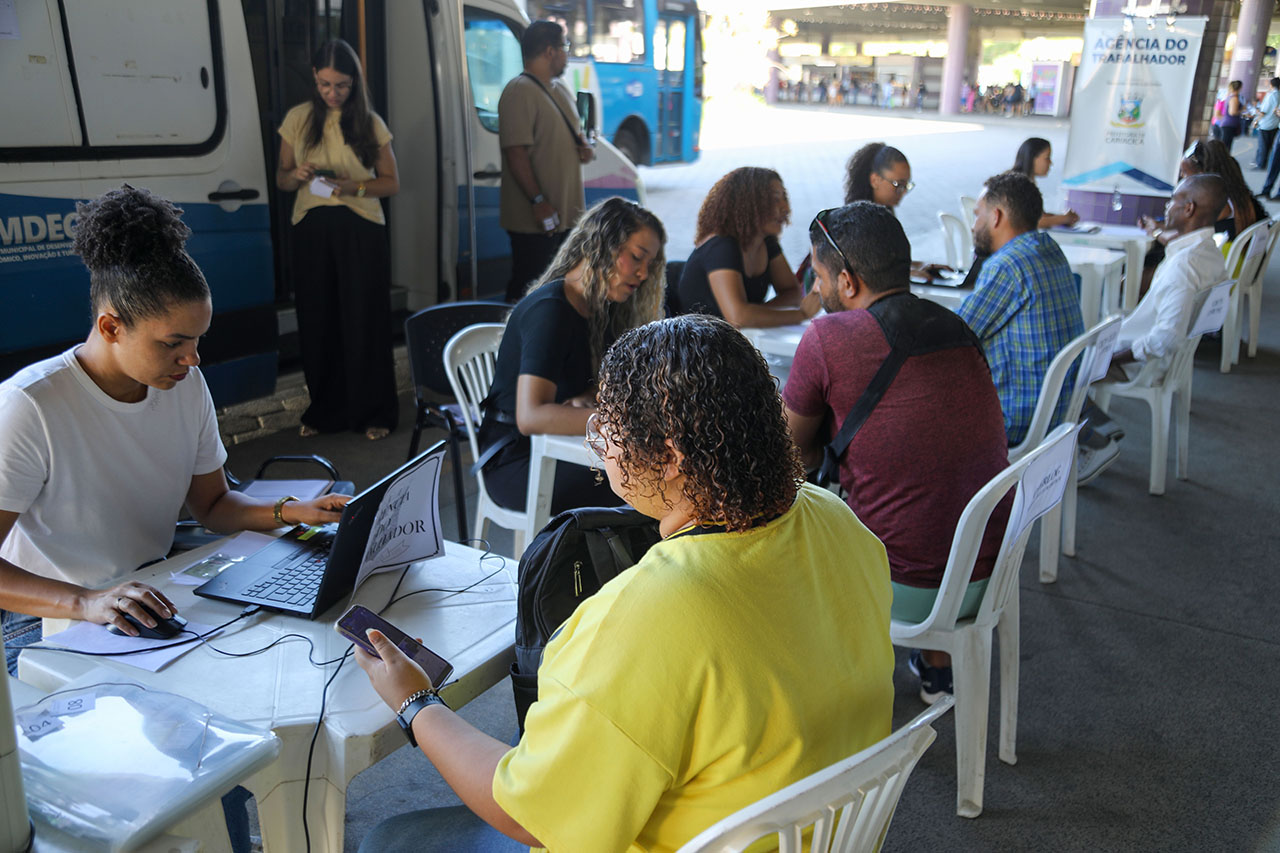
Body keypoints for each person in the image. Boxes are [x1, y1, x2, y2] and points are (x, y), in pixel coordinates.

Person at [353, 314, 894, 853]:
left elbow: (530, 819)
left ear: (671, 458)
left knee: (388, 840)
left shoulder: (650, 614)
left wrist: (415, 702)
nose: (599, 439)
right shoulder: (835, 517)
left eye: (608, 423)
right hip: (821, 827)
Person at [0, 186, 347, 853]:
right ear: (110, 327)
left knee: (248, 704)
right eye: (174, 344)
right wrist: (86, 601)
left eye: (197, 341)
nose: (193, 360)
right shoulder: (31, 406)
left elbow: (211, 506)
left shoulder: (183, 386)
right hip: (45, 621)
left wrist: (289, 512)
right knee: (176, 763)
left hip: (151, 592)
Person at [783, 202, 1010, 703]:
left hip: (905, 589)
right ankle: (937, 665)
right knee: (924, 482)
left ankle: (818, 695)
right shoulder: (956, 329)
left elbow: (787, 452)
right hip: (989, 573)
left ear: (847, 282)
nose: (816, 289)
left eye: (818, 276)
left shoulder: (827, 338)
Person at [477, 197, 665, 513]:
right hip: (518, 463)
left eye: (651, 264)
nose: (644, 273)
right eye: (636, 257)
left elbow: (601, 384)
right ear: (603, 246)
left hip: (561, 448)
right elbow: (530, 417)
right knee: (653, 478)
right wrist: (617, 421)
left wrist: (590, 397)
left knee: (664, 464)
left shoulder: (601, 306)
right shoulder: (550, 311)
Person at [277, 38, 400, 442]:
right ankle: (326, 411)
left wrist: (353, 187)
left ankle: (374, 412)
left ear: (354, 82)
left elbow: (391, 183)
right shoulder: (297, 119)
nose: (333, 93)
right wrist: (296, 176)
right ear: (314, 77)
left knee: (365, 319)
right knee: (318, 320)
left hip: (361, 226)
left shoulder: (369, 123)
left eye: (342, 86)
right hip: (311, 225)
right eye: (325, 84)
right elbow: (281, 179)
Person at [957, 171, 1083, 447]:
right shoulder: (1049, 249)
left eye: (978, 215)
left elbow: (955, 335)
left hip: (1015, 420)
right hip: (1057, 414)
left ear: (996, 216)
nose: (974, 226)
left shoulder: (1008, 265)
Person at [498, 20, 595, 303]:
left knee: (557, 292)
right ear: (550, 51)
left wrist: (583, 148)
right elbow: (515, 152)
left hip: (564, 218)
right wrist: (538, 201)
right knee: (528, 290)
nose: (567, 54)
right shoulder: (519, 91)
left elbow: (573, 134)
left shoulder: (560, 88)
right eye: (565, 47)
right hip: (536, 222)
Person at [1107, 175, 1231, 382]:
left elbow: (1166, 339)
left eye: (1173, 199)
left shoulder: (1183, 267)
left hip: (1140, 366)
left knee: (1059, 367)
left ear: (1189, 209)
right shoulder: (1210, 252)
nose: (1167, 205)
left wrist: (1109, 360)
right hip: (1156, 355)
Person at [675, 167, 820, 327]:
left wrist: (755, 314)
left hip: (736, 337)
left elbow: (792, 293)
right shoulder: (721, 246)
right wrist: (801, 314)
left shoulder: (766, 242)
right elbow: (738, 318)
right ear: (747, 204)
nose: (785, 207)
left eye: (784, 198)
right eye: (774, 199)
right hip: (701, 340)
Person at [843, 142, 948, 279]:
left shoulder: (883, 215)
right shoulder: (857, 224)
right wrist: (901, 273)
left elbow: (886, 261)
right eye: (898, 185)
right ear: (875, 180)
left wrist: (920, 265)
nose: (903, 192)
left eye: (907, 185)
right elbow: (862, 270)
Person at [1011, 138, 1079, 228]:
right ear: (1032, 158)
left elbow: (1038, 215)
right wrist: (1064, 218)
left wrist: (1065, 218)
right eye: (1047, 158)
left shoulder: (1028, 183)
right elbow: (1030, 221)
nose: (1050, 163)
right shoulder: (1015, 184)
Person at [1253, 78, 1280, 170]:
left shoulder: (1270, 95)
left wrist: (1256, 121)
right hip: (1275, 124)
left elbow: (1263, 111)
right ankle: (1265, 163)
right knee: (1269, 146)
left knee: (1263, 145)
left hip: (1266, 124)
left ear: (1271, 85)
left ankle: (1260, 164)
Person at [1213, 81, 1244, 152]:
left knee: (1225, 146)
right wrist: (1242, 111)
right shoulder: (1234, 98)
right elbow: (1232, 112)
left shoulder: (1229, 97)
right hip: (1229, 125)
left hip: (1227, 124)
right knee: (1226, 147)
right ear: (1240, 88)